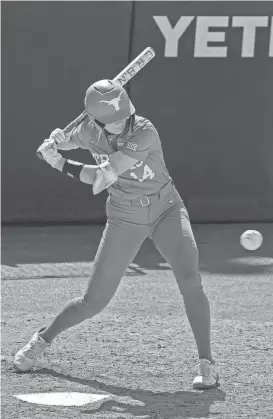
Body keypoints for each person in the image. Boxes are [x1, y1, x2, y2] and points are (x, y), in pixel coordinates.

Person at [13, 79, 219, 389]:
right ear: (95, 120)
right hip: (125, 217)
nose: (120, 123)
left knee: (191, 281)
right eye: (111, 120)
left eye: (122, 115)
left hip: (166, 209)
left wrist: (59, 163)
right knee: (93, 302)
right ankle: (42, 340)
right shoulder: (88, 130)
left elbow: (103, 176)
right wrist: (57, 141)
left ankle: (207, 363)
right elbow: (72, 139)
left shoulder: (144, 131)